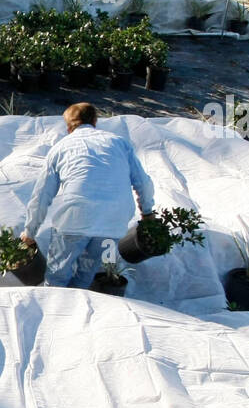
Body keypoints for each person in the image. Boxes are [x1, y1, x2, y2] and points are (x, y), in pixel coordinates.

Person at [19, 103, 155, 289]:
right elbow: (143, 182)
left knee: (57, 276)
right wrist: (147, 213)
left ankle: (56, 310)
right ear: (95, 121)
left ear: (68, 127)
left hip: (74, 218)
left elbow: (42, 196)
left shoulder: (60, 148)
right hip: (113, 220)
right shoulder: (119, 143)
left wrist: (30, 232)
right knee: (86, 274)